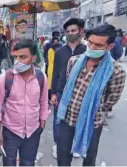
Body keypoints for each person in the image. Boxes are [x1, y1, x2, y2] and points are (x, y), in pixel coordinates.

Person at [56, 24, 126, 166]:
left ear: (109, 47)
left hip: (92, 122)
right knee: (63, 156)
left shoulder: (116, 71)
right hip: (67, 118)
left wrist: (92, 108)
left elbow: (111, 99)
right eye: (90, 42)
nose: (92, 47)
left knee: (89, 158)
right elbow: (69, 85)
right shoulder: (74, 61)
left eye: (98, 45)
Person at [0, 39, 50, 166]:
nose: (18, 61)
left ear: (33, 58)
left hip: (33, 131)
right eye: (16, 57)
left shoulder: (41, 77)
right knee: (9, 163)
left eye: (23, 57)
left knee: (28, 163)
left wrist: (42, 124)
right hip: (10, 132)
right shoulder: (6, 77)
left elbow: (43, 102)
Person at [50, 18, 86, 158]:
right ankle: (57, 144)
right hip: (61, 92)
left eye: (74, 30)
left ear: (80, 31)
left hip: (79, 93)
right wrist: (53, 93)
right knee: (58, 120)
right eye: (68, 31)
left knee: (76, 119)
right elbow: (55, 73)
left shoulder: (86, 50)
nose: (71, 33)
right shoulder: (59, 51)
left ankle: (73, 144)